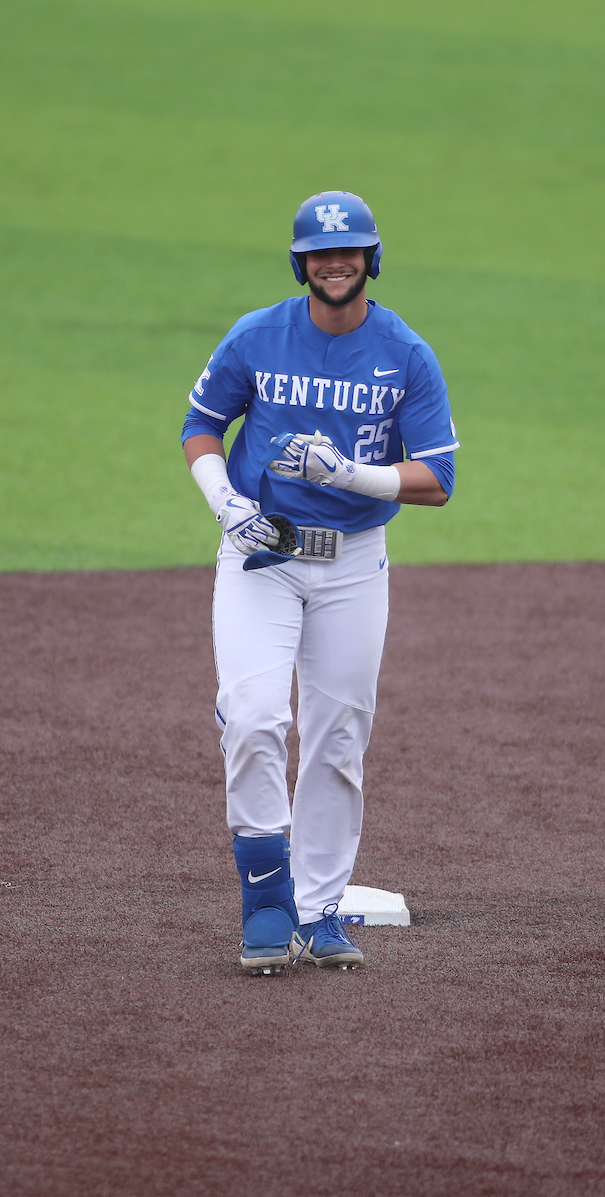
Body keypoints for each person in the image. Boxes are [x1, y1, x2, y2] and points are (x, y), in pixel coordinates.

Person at [181, 190, 458, 975]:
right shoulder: (258, 334)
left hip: (353, 567)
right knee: (255, 716)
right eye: (321, 254)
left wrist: (352, 473)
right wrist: (224, 501)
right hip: (260, 554)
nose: (336, 265)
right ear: (301, 263)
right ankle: (267, 902)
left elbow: (437, 478)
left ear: (371, 260)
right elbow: (200, 423)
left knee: (338, 740)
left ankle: (320, 911)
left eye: (351, 252)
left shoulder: (405, 353)